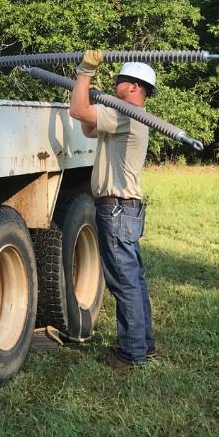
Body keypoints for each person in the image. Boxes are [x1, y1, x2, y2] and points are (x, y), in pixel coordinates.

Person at [69, 49, 158, 370]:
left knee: (124, 282)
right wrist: (93, 95)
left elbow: (78, 112)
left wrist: (84, 74)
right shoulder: (128, 117)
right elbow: (89, 128)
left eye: (120, 80)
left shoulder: (127, 115)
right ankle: (143, 345)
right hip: (126, 210)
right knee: (134, 279)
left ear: (134, 87)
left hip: (118, 210)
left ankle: (131, 352)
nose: (116, 82)